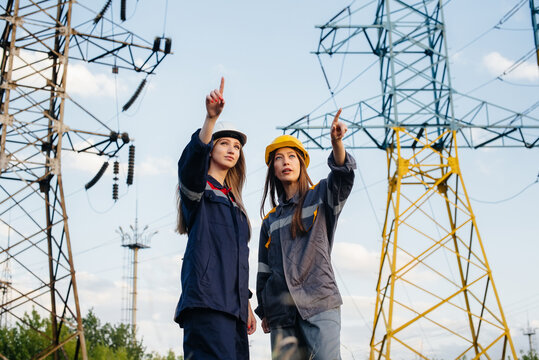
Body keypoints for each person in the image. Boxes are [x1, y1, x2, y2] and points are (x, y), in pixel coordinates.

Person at [255, 109, 356, 360]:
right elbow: (263, 271)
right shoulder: (270, 221)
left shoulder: (321, 195)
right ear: (273, 168)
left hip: (320, 302)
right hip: (282, 314)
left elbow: (343, 176)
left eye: (292, 156)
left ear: (301, 163)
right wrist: (265, 310)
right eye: (279, 158)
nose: (286, 161)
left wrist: (337, 144)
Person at [174, 77, 256, 360]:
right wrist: (210, 120)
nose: (232, 148)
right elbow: (190, 164)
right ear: (211, 149)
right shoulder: (198, 190)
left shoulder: (235, 202)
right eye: (224, 143)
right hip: (206, 304)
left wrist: (244, 303)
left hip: (233, 310)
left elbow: (235, 257)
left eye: (237, 146)